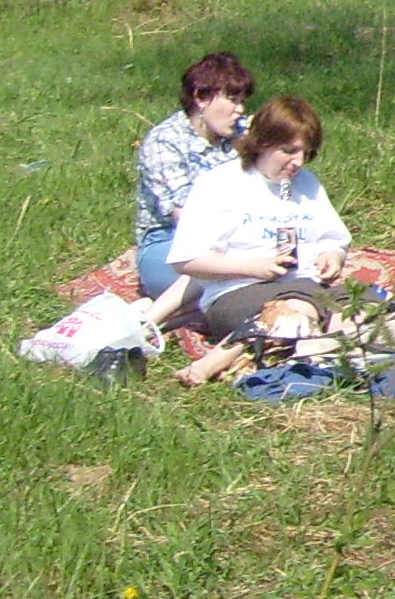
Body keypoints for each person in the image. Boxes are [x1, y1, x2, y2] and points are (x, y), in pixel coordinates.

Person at [167, 95, 355, 386]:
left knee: (363, 309)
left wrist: (332, 254)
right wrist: (254, 267)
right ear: (263, 143)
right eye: (288, 151)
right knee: (298, 305)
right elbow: (186, 259)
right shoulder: (219, 183)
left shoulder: (307, 183)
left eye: (306, 153)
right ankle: (212, 363)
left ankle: (303, 351)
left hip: (307, 285)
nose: (298, 162)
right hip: (238, 292)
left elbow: (332, 237)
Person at [135, 51, 253, 299]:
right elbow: (186, 216)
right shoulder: (165, 141)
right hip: (172, 240)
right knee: (232, 272)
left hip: (237, 234)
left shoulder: (241, 134)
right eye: (233, 100)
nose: (240, 110)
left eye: (242, 101)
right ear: (201, 98)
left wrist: (259, 150)